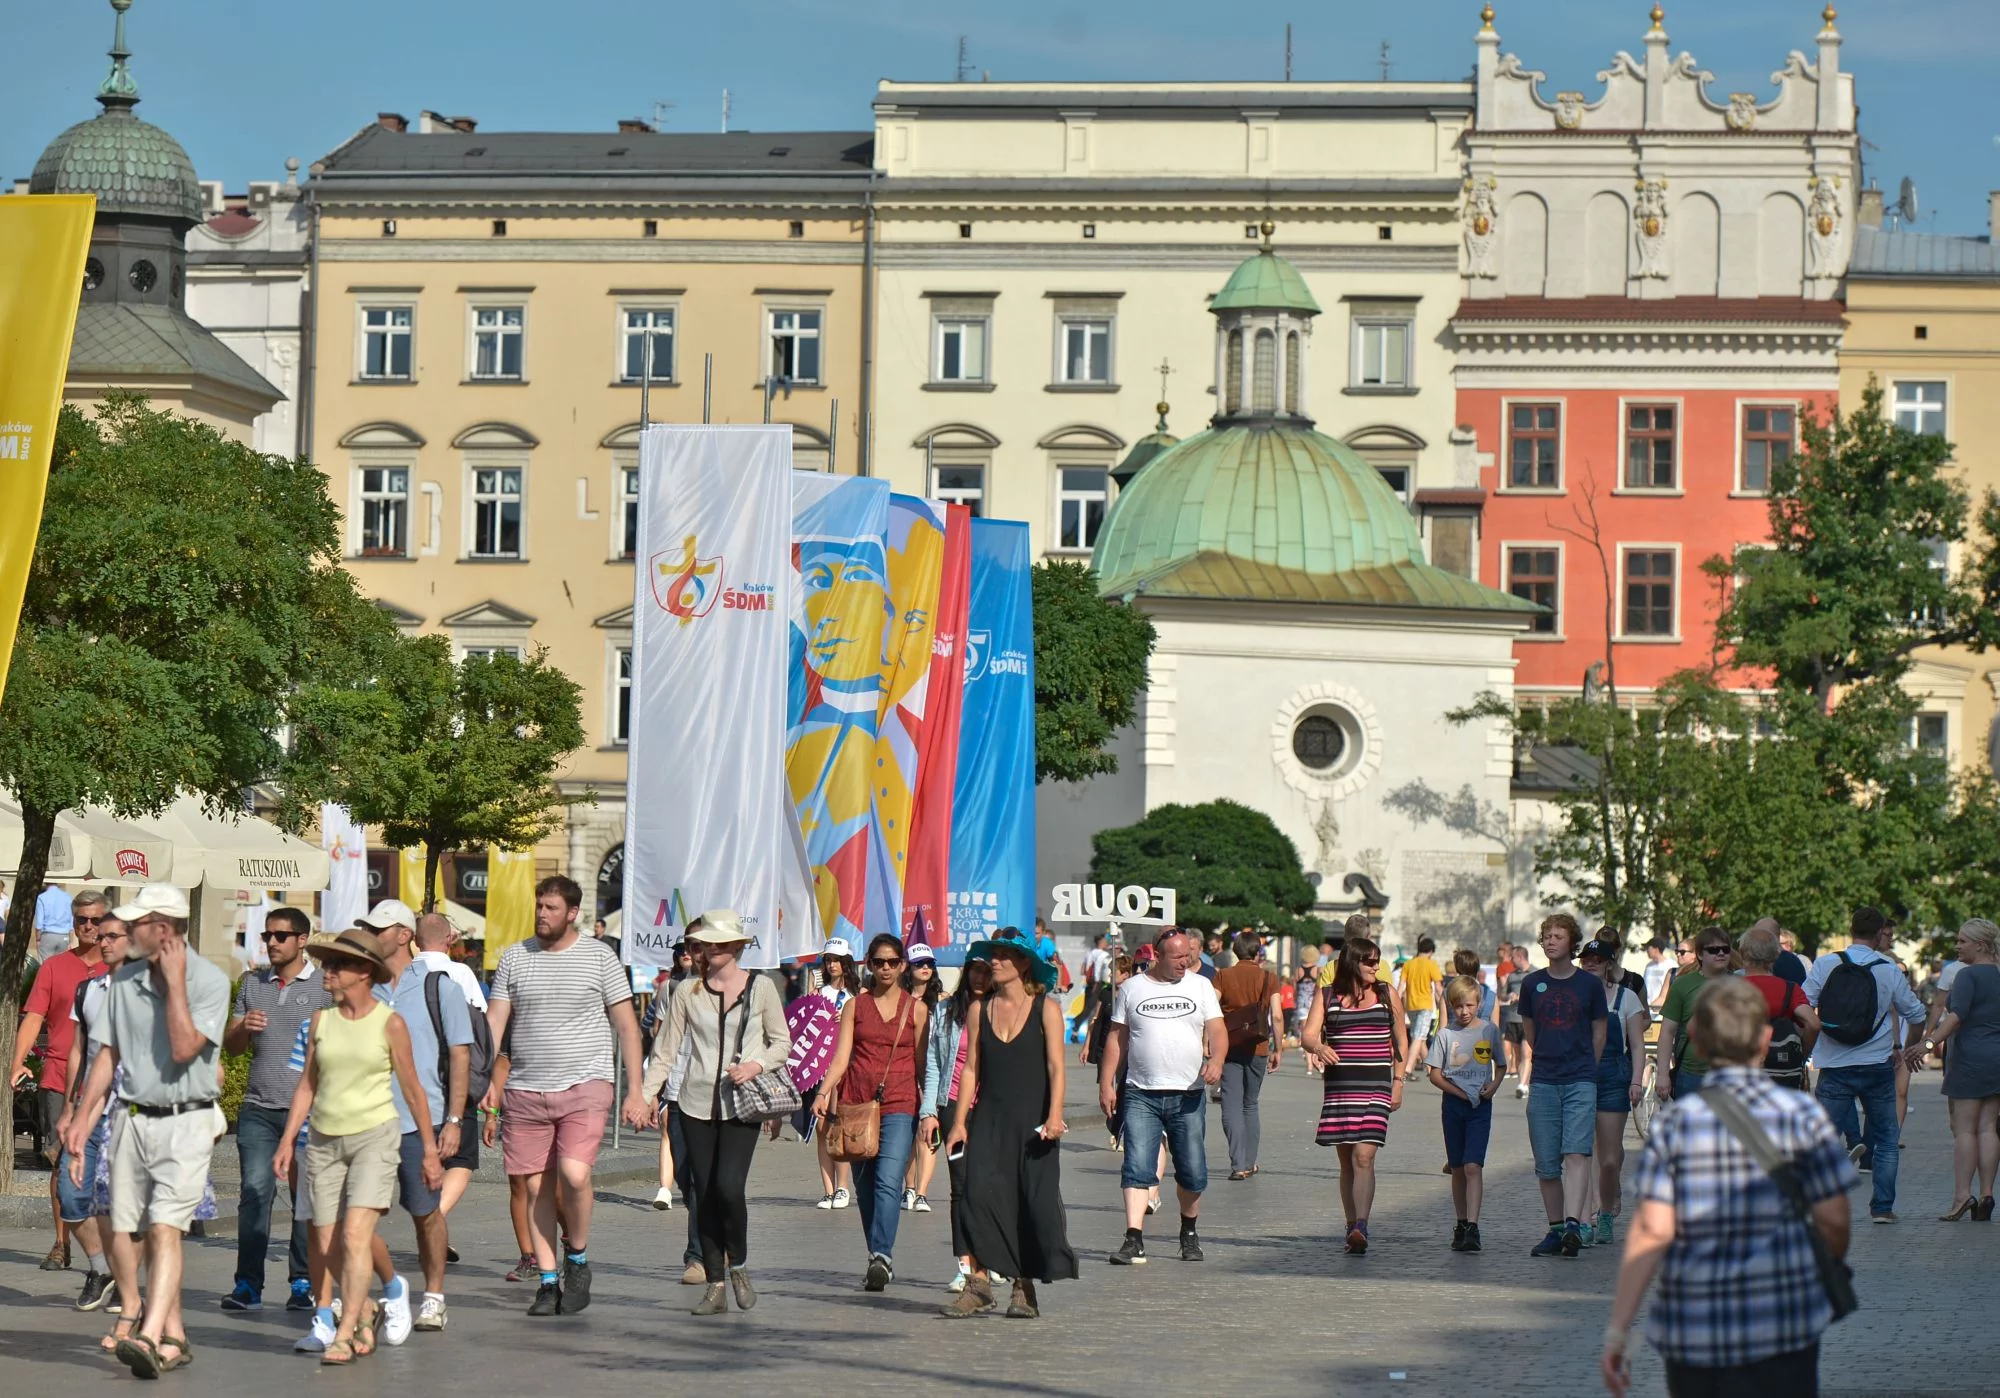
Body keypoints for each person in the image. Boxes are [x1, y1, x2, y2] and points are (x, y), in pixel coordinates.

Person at [1601, 977, 1857, 1398]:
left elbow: (1652, 1231)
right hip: (1784, 1319)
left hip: (1695, 1327)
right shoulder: (1801, 1115)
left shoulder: (1675, 1125)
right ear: (1765, 1039)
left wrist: (1617, 1331)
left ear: (1697, 1041)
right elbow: (1833, 1219)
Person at [64, 884, 231, 1379]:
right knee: (134, 1228)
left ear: (164, 928)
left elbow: (183, 1049)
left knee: (164, 1229)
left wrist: (176, 984)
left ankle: (149, 1334)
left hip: (185, 1119)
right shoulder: (126, 981)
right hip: (131, 1119)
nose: (125, 931)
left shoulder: (209, 981)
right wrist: (81, 1117)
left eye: (137, 923)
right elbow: (106, 1055)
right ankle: (175, 1335)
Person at [482, 875, 649, 1317]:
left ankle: (577, 1257)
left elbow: (628, 1026)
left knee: (574, 1175)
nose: (542, 913)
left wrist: (637, 1090)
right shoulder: (515, 958)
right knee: (536, 1186)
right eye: (539, 905)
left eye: (551, 908)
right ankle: (549, 1280)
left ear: (573, 913)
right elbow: (495, 1023)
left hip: (586, 1084)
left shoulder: (600, 957)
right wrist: (486, 1082)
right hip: (524, 1089)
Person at [273, 928, 440, 1366]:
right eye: (327, 963)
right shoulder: (320, 1022)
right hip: (324, 1139)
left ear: (364, 972)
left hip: (374, 1136)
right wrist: (289, 1139)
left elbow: (414, 1090)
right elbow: (307, 1085)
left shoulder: (389, 1023)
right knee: (326, 1242)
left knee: (354, 1233)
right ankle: (365, 1311)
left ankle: (344, 1333)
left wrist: (429, 1149)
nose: (328, 971)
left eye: (338, 965)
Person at [642, 910, 792, 1317]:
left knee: (728, 1188)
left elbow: (782, 1043)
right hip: (694, 1104)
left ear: (736, 948)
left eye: (718, 942)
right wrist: (644, 1095)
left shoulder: (761, 988)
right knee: (703, 1195)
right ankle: (715, 1283)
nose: (709, 948)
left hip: (741, 1105)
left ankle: (738, 1263)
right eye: (705, 942)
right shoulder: (687, 992)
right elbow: (666, 1050)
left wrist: (755, 1065)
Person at [941, 930, 1076, 1318]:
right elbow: (970, 1070)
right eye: (992, 956)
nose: (994, 962)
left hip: (1033, 1122)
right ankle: (978, 1283)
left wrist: (1054, 1114)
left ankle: (1023, 1286)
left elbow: (1055, 1066)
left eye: (1003, 956)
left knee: (1031, 1202)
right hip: (989, 1121)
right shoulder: (978, 1009)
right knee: (975, 1196)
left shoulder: (1045, 1009)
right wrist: (960, 1122)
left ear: (1023, 965)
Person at [366, 902, 473, 1333]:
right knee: (358, 1215)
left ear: (404, 935)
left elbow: (459, 1054)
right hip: (368, 1121)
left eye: (381, 928)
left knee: (425, 1213)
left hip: (421, 1120)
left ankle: (433, 1297)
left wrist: (454, 1119)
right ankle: (370, 1291)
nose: (373, 934)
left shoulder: (438, 986)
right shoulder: (363, 987)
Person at [216, 904, 329, 1313]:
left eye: (281, 936)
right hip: (259, 1108)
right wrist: (241, 1028)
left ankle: (303, 1282)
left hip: (309, 1113)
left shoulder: (324, 987)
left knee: (305, 1198)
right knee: (255, 1192)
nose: (272, 943)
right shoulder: (252, 983)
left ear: (303, 940)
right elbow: (232, 1049)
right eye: (268, 936)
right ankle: (248, 1284)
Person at [1099, 929, 1225, 1266]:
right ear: (1157, 955)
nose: (1186, 962)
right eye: (1178, 957)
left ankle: (1189, 1231)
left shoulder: (1200, 986)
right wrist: (1106, 1082)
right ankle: (1133, 1238)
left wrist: (1217, 1060)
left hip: (1188, 1094)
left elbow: (1217, 1029)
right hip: (1141, 1092)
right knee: (1137, 1165)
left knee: (1193, 1171)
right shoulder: (1132, 988)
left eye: (1188, 955)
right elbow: (1117, 1038)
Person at [814, 932, 928, 1291]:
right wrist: (823, 1090)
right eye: (878, 962)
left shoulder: (917, 1009)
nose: (885, 968)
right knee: (864, 1188)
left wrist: (931, 1111)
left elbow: (925, 1066)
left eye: (892, 962)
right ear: (869, 964)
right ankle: (876, 1256)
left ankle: (882, 1255)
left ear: (902, 965)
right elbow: (842, 1056)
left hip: (900, 1103)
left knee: (888, 1181)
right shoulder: (855, 1007)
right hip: (855, 1105)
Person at [1802, 905, 1926, 1223]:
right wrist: (1911, 1047)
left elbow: (1803, 1006)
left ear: (1851, 928)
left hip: (1834, 1066)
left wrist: (1809, 1046)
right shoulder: (1888, 968)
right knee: (1885, 1138)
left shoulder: (1826, 964)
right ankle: (1882, 1208)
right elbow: (1916, 1014)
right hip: (1877, 1065)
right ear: (1879, 933)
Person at [11, 887, 111, 1273]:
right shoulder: (54, 968)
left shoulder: (120, 969)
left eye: (95, 920)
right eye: (81, 920)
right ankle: (60, 1242)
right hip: (59, 1079)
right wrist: (16, 1063)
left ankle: (103, 1253)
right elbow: (33, 1016)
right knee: (60, 1163)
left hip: (108, 1086)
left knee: (104, 1169)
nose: (87, 927)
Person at [1303, 935, 1406, 1254]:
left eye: (1378, 960)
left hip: (1376, 1084)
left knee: (1365, 1155)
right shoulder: (1327, 994)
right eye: (1370, 961)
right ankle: (1351, 1225)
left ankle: (1362, 1223)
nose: (1377, 967)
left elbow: (1401, 1040)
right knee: (1347, 1160)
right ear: (1351, 963)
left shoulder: (1387, 994)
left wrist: (1398, 1082)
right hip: (1341, 1086)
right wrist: (1319, 1047)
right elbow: (1307, 1035)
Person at [53, 913, 130, 1316]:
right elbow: (80, 1051)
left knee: (120, 1200)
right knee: (71, 1191)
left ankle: (127, 1284)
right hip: (89, 1107)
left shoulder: (149, 991)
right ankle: (101, 1270)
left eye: (113, 936)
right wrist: (69, 1106)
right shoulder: (90, 990)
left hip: (131, 1108)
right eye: (101, 937)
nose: (103, 943)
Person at [1519, 912, 1607, 1258]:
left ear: (1572, 942)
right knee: (1545, 1161)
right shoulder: (1531, 984)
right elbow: (1529, 1029)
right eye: (1546, 936)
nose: (1550, 941)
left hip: (1580, 1079)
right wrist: (1543, 1054)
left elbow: (1599, 1028)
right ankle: (1555, 1228)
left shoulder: (1588, 984)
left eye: (1557, 936)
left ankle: (1574, 1224)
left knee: (1577, 1151)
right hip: (1544, 1079)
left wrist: (1589, 1065)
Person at [1906, 917, 2000, 1220]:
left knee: (1964, 1130)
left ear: (1980, 945)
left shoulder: (1967, 977)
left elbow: (1956, 1016)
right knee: (1988, 1126)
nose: (1957, 946)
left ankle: (1962, 1195)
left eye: (1962, 941)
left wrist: (1928, 1045)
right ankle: (1987, 1194)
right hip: (1996, 1058)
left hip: (1970, 1058)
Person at [923, 949, 992, 1294]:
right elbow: (934, 1064)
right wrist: (929, 1112)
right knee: (961, 1188)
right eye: (974, 971)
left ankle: (989, 1260)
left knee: (991, 1188)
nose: (980, 978)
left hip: (994, 1110)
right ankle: (965, 1265)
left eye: (986, 971)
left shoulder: (1003, 1010)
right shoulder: (946, 1011)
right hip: (953, 1107)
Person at [1580, 937, 1648, 1248]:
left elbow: (1636, 1044)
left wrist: (1636, 1080)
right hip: (1578, 1075)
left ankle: (1605, 1211)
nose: (1590, 963)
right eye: (1586, 959)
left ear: (1610, 963)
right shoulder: (1572, 995)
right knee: (1579, 1152)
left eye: (1597, 959)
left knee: (1609, 1157)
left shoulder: (1626, 998)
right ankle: (1583, 1218)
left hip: (1613, 1076)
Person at [1428, 975, 1502, 1252]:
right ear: (1451, 1005)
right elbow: (1434, 1075)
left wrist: (1493, 1087)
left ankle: (1473, 1225)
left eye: (1470, 1005)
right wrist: (1459, 1093)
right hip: (1454, 1105)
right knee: (1457, 1167)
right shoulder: (1446, 1035)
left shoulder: (1489, 1031)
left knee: (1473, 1165)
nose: (1464, 1012)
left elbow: (1502, 1065)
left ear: (1479, 1003)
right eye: (1458, 1006)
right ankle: (1460, 1222)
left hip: (1480, 1107)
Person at [1213, 931, 1283, 1180]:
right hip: (1258, 1047)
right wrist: (1278, 1048)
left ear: (1235, 951)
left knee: (1231, 1104)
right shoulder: (1268, 977)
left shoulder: (1223, 976)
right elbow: (1276, 1015)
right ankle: (1250, 1161)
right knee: (1250, 1104)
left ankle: (1238, 1164)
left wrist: (1207, 1042)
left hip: (1230, 1046)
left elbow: (1211, 1009)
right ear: (1257, 952)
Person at [1739, 924, 1820, 1091]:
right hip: (1782, 1075)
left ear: (1743, 954)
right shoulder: (1790, 989)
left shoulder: (1730, 989)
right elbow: (1814, 1024)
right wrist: (1801, 1056)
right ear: (1776, 955)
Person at [810, 936, 859, 1209]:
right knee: (821, 1126)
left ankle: (842, 1187)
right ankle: (827, 1189)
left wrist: (847, 1018)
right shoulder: (819, 993)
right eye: (828, 960)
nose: (831, 965)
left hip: (846, 1067)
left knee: (838, 1126)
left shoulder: (857, 995)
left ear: (846, 963)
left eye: (837, 960)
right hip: (820, 1066)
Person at [1657, 928, 1732, 1101]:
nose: (1721, 953)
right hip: (1691, 1075)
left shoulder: (1741, 985)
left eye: (1725, 949)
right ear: (1700, 954)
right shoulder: (1682, 984)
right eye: (1713, 950)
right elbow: (1667, 1032)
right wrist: (1662, 1075)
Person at [902, 942, 944, 1211]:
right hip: (905, 1070)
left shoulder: (942, 1001)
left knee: (929, 1130)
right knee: (907, 1132)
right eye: (920, 964)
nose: (926, 968)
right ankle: (908, 1188)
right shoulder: (899, 1000)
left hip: (933, 1071)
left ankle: (922, 1192)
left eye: (929, 964)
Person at [1398, 936, 1443, 1080]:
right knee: (1419, 1036)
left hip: (1410, 1005)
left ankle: (1430, 1068)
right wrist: (1445, 1003)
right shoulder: (1432, 964)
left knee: (1419, 1037)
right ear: (1430, 951)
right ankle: (1408, 1068)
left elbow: (1401, 986)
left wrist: (1396, 1001)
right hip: (1425, 1005)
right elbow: (1438, 988)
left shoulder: (1408, 964)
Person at [1501, 943, 1531, 1094]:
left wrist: (1522, 998)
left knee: (1527, 1053)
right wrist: (1509, 996)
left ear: (1520, 956)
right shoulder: (1512, 976)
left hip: (1528, 1020)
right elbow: (1503, 994)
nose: (1511, 960)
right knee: (1518, 1055)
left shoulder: (1536, 973)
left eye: (1512, 957)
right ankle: (1523, 1083)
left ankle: (1522, 1085)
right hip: (1512, 1018)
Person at [1074, 932, 1113, 1044]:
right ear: (1100, 942)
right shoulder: (1102, 954)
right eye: (1105, 941)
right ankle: (1077, 1025)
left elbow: (1083, 968)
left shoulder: (1089, 952)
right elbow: (1098, 969)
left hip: (1089, 983)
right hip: (1097, 983)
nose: (1106, 943)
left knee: (1087, 1007)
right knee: (1091, 1008)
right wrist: (1096, 982)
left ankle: (1076, 1031)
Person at [34, 878, 76, 960]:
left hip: (48, 935)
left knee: (46, 966)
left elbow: (39, 923)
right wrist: (71, 941)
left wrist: (38, 939)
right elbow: (71, 921)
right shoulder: (67, 897)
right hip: (64, 936)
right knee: (61, 965)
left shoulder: (42, 897)